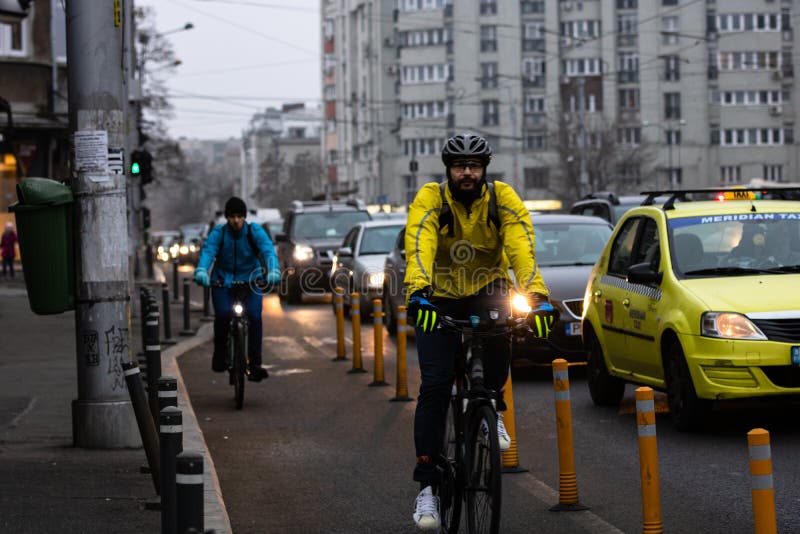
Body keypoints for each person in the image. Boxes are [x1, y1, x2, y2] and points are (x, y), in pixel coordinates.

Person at [405, 133, 557, 530]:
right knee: (436, 385)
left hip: (487, 289)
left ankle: (490, 407)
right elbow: (418, 240)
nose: (467, 173)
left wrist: (536, 294)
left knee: (497, 356)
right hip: (437, 294)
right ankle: (428, 488)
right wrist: (418, 292)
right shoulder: (431, 199)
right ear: (448, 170)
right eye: (459, 166)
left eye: (474, 166)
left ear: (485, 169)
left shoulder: (502, 198)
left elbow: (521, 246)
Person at [193, 197, 280, 382]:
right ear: (227, 217)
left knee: (255, 317)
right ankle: (220, 354)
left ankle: (255, 363)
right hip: (223, 282)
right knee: (223, 315)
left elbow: (268, 250)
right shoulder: (219, 233)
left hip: (251, 281)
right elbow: (208, 252)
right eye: (232, 216)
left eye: (239, 216)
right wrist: (201, 270)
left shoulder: (253, 231)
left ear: (245, 217)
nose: (236, 220)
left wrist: (273, 270)